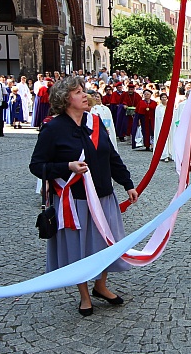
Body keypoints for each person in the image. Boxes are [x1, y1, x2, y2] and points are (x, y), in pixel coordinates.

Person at [29, 77, 139, 316]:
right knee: (80, 249)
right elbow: (37, 165)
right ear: (66, 99)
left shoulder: (96, 122)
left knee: (104, 244)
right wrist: (67, 166)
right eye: (78, 92)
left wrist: (127, 183)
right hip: (75, 200)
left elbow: (111, 157)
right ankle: (84, 295)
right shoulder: (53, 128)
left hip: (103, 195)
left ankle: (100, 286)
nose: (84, 95)